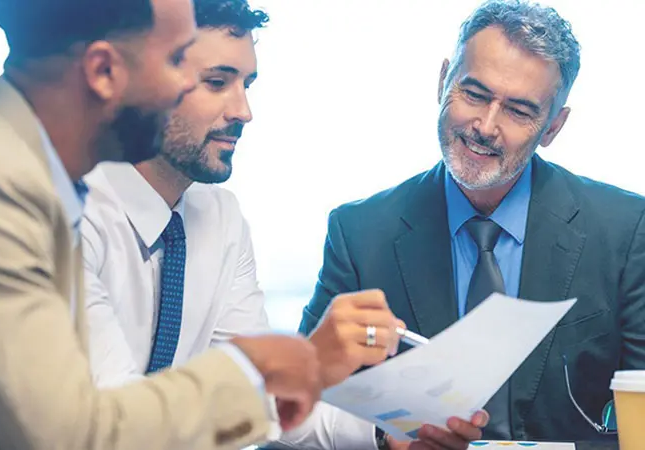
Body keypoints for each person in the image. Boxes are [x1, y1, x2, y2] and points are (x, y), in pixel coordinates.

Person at [0, 0, 325, 449]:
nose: (192, 90)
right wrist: (252, 369)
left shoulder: (24, 169)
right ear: (103, 71)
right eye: (177, 61)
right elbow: (75, 437)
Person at [81, 1, 487, 448]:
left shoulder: (221, 220)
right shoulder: (68, 220)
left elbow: (269, 404)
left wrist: (389, 436)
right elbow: (118, 427)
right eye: (217, 82)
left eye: (246, 83)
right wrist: (308, 360)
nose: (244, 110)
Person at [298, 0, 645, 443]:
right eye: (474, 94)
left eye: (519, 111)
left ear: (554, 127)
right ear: (443, 81)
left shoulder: (627, 229)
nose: (485, 125)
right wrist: (387, 441)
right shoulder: (358, 233)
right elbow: (298, 412)